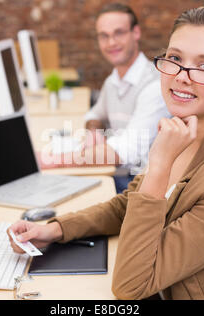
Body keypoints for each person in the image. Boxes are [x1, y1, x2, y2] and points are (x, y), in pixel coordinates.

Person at [9, 6, 204, 300]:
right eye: (175, 59)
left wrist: (161, 162)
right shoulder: (181, 131)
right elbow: (127, 206)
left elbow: (130, 286)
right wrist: (56, 230)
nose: (181, 76)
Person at [39, 3, 170, 193]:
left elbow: (127, 150)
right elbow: (94, 114)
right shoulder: (113, 81)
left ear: (136, 33)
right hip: (116, 174)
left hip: (140, 185)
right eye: (104, 36)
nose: (111, 43)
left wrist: (52, 160)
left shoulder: (153, 85)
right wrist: (94, 131)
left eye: (119, 33)